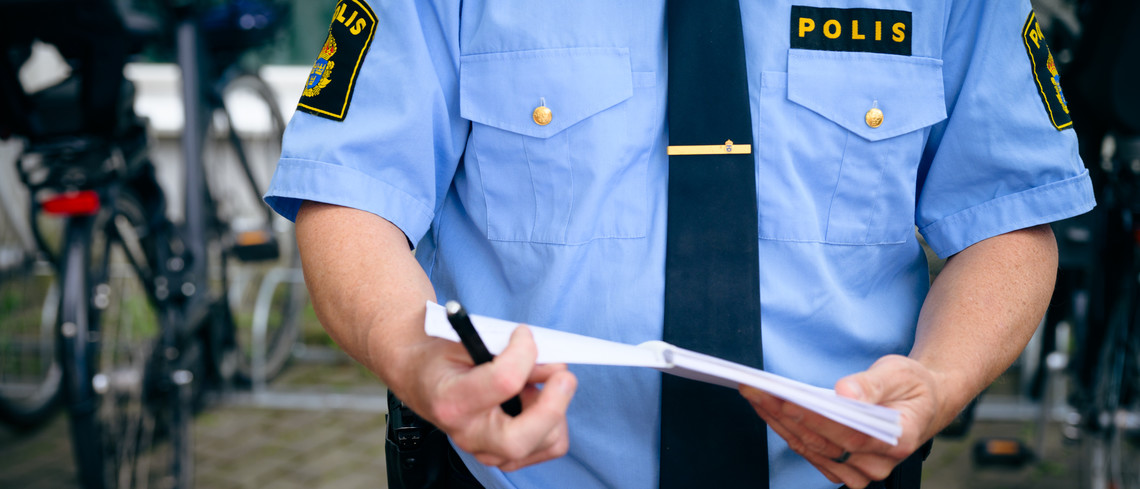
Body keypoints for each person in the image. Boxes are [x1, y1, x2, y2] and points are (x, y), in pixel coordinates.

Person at [265, 1, 1095, 488]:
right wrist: (424, 364)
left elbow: (1007, 220)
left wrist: (940, 382)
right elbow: (349, 197)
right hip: (510, 476)